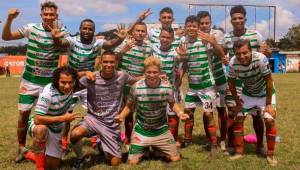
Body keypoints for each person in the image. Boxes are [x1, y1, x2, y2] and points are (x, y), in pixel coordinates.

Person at [1, 1, 68, 162]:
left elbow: (65, 47)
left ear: (56, 16)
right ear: (41, 15)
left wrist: (57, 38)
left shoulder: (62, 30)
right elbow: (6, 37)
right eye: (46, 14)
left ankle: (52, 147)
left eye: (52, 14)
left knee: (48, 116)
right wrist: (10, 19)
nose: (49, 17)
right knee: (23, 114)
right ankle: (21, 148)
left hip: (48, 83)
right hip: (29, 81)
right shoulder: (31, 28)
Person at [51, 18, 127, 150]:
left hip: (89, 83)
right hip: (72, 84)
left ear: (94, 31)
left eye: (90, 29)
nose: (87, 31)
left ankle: (99, 137)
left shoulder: (97, 42)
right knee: (66, 114)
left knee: (98, 112)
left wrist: (120, 39)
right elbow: (61, 43)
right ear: (79, 29)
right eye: (84, 28)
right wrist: (56, 38)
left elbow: (109, 44)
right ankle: (63, 141)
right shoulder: (72, 40)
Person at [115, 56, 189, 165]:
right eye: (148, 72)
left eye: (155, 72)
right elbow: (128, 107)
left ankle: (157, 148)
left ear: (159, 72)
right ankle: (144, 149)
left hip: (161, 130)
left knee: (175, 159)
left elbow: (172, 103)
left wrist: (180, 113)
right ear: (144, 72)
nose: (152, 75)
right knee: (132, 162)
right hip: (141, 130)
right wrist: (121, 116)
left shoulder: (167, 87)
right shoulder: (136, 87)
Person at [70, 51, 137, 168]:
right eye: (105, 62)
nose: (108, 65)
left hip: (111, 123)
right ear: (100, 62)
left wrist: (155, 76)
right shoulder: (91, 78)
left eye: (112, 62)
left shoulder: (122, 76)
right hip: (93, 119)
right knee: (75, 134)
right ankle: (80, 157)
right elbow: (71, 78)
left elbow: (136, 80)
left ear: (116, 63)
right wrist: (85, 72)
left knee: (115, 164)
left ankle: (101, 144)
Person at [223, 5, 271, 154]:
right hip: (235, 80)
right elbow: (224, 57)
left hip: (254, 80)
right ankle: (231, 145)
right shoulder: (227, 37)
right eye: (234, 18)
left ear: (245, 19)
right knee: (233, 112)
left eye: (240, 18)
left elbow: (264, 54)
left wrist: (268, 52)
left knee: (257, 114)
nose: (238, 21)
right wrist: (223, 60)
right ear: (231, 20)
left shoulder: (255, 35)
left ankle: (260, 146)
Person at [227, 39, 278, 166]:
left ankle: (270, 154)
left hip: (265, 94)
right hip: (248, 94)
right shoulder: (232, 63)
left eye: (245, 53)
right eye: (238, 54)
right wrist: (238, 103)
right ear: (234, 53)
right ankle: (239, 151)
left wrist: (268, 104)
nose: (242, 56)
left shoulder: (261, 59)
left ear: (251, 51)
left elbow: (269, 81)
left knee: (269, 120)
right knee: (238, 118)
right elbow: (231, 84)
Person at [27, 66, 81, 170]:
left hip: (56, 129)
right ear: (57, 81)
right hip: (40, 124)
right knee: (41, 129)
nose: (67, 86)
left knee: (53, 166)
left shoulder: (73, 88)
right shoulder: (48, 93)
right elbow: (37, 119)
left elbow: (80, 76)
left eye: (70, 82)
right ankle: (40, 168)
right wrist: (62, 118)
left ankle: (27, 154)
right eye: (63, 82)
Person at [180, 15, 218, 159]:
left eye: (194, 26)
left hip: (207, 85)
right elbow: (184, 62)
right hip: (193, 86)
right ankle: (187, 140)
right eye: (188, 25)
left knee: (208, 114)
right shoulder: (183, 41)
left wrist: (213, 43)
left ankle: (213, 143)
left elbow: (218, 53)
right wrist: (180, 76)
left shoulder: (204, 39)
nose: (191, 28)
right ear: (185, 27)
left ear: (198, 27)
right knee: (188, 112)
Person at [114, 21, 152, 148]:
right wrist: (123, 51)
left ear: (146, 33)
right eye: (138, 30)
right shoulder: (124, 43)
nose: (140, 33)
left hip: (137, 86)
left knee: (133, 114)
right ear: (133, 32)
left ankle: (131, 139)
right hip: (121, 86)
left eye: (143, 31)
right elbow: (113, 61)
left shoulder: (148, 48)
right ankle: (115, 138)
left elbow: (148, 67)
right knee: (118, 114)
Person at [197, 11, 228, 152]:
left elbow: (222, 54)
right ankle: (210, 139)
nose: (204, 26)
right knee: (207, 110)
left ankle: (223, 139)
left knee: (222, 109)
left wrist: (212, 42)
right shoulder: (193, 36)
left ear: (210, 22)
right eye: (202, 23)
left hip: (219, 77)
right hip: (205, 80)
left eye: (207, 23)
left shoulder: (218, 34)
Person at [151, 26, 186, 147]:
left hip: (170, 89)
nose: (165, 40)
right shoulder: (153, 49)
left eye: (168, 38)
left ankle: (173, 139)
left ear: (172, 39)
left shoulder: (175, 52)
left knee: (173, 115)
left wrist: (182, 57)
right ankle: (157, 139)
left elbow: (182, 64)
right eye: (163, 37)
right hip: (154, 89)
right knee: (157, 116)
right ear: (159, 37)